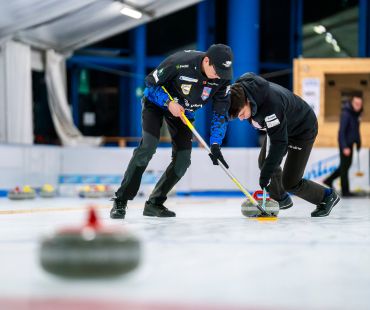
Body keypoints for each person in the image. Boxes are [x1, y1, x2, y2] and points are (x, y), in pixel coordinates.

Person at [110, 44, 233, 219]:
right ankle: (120, 200)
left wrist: (215, 143)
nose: (219, 76)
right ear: (207, 60)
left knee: (183, 160)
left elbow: (220, 113)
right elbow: (150, 85)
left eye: (223, 72)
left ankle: (154, 203)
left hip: (184, 113)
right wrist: (169, 103)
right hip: (156, 104)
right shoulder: (179, 62)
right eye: (217, 70)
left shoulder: (223, 78)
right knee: (148, 146)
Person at [229, 72, 340, 217]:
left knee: (290, 182)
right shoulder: (238, 92)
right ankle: (281, 199)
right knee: (264, 162)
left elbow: (279, 144)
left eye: (242, 113)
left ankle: (327, 196)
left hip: (302, 128)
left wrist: (265, 175)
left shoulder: (270, 105)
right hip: (281, 125)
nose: (242, 119)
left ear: (248, 101)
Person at [323, 93, 363, 197]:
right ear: (352, 103)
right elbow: (341, 132)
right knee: (344, 168)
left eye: (360, 104)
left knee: (345, 166)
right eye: (356, 103)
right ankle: (345, 191)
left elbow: (356, 131)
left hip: (351, 144)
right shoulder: (346, 114)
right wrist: (344, 146)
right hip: (345, 145)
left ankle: (328, 180)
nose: (358, 105)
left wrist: (358, 142)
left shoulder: (356, 114)